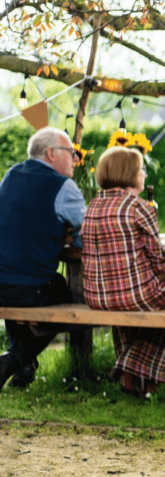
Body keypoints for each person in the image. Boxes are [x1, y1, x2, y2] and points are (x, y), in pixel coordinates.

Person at [82, 147, 165, 396]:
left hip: (96, 297)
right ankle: (139, 370)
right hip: (136, 294)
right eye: (141, 169)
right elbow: (159, 259)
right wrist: (163, 271)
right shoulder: (138, 207)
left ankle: (132, 376)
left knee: (131, 312)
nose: (144, 174)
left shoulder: (91, 207)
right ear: (130, 173)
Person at [0, 127, 85, 389]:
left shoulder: (11, 175)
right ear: (51, 153)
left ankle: (25, 367)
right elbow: (88, 233)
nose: (75, 159)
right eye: (71, 152)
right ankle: (15, 358)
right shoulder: (63, 186)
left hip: (1, 285)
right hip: (27, 288)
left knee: (19, 284)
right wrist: (68, 237)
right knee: (64, 293)